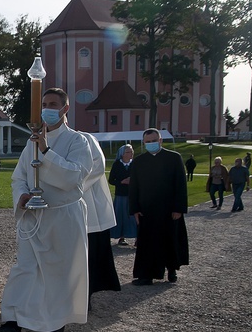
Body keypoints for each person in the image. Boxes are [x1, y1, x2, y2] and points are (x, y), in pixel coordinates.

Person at [0, 88, 91, 332]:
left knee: (57, 272)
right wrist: (21, 195)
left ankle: (55, 324)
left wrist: (46, 152)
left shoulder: (78, 141)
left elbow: (75, 177)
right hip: (34, 217)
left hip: (62, 216)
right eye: (44, 104)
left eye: (53, 104)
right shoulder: (32, 141)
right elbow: (19, 176)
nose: (47, 108)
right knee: (25, 270)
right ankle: (12, 324)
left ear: (65, 109)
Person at [129, 128, 189, 286]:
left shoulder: (174, 158)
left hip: (169, 209)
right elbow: (134, 187)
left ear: (160, 140)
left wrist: (179, 208)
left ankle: (172, 270)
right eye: (148, 142)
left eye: (154, 141)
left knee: (170, 240)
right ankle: (146, 275)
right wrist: (134, 209)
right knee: (147, 243)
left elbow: (181, 184)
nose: (151, 144)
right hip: (146, 210)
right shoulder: (139, 162)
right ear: (143, 143)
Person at [80, 131, 120, 301]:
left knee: (90, 255)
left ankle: (86, 295)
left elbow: (97, 166)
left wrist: (69, 185)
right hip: (57, 207)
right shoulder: (43, 141)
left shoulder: (86, 139)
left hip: (89, 206)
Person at [109, 144, 137, 246]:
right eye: (128, 152)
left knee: (134, 216)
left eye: (131, 152)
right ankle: (121, 237)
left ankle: (137, 237)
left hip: (133, 194)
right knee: (121, 216)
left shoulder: (135, 164)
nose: (130, 154)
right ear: (122, 154)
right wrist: (121, 182)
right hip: (121, 195)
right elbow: (111, 180)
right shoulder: (117, 164)